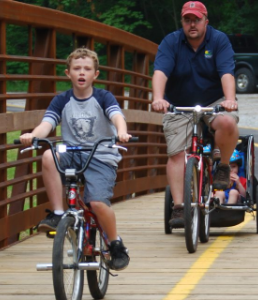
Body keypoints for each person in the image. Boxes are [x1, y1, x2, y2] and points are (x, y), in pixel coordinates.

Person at [19, 48, 131, 271]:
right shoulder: (62, 100)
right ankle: (59, 213)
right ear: (68, 73)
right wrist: (33, 135)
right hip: (72, 153)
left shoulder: (103, 97)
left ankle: (115, 243)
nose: (82, 73)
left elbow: (117, 115)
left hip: (100, 155)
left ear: (95, 75)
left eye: (87, 69)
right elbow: (47, 124)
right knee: (50, 154)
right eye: (77, 69)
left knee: (97, 202)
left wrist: (122, 131)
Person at [151, 1, 239, 227]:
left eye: (196, 19)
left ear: (205, 22)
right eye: (187, 20)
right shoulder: (171, 42)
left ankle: (223, 165)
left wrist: (229, 99)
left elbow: (226, 72)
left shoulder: (218, 40)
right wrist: (158, 98)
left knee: (228, 123)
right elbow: (160, 71)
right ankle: (179, 207)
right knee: (176, 154)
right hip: (178, 105)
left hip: (213, 102)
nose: (192, 24)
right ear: (182, 22)